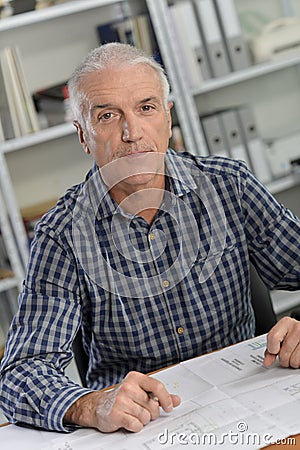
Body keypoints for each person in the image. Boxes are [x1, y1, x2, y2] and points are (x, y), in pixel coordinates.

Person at [0, 42, 300, 434]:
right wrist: (90, 404)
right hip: (143, 429)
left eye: (146, 108)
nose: (132, 133)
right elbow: (21, 372)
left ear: (168, 118)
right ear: (83, 135)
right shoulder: (62, 235)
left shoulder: (230, 185)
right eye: (107, 116)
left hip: (256, 408)